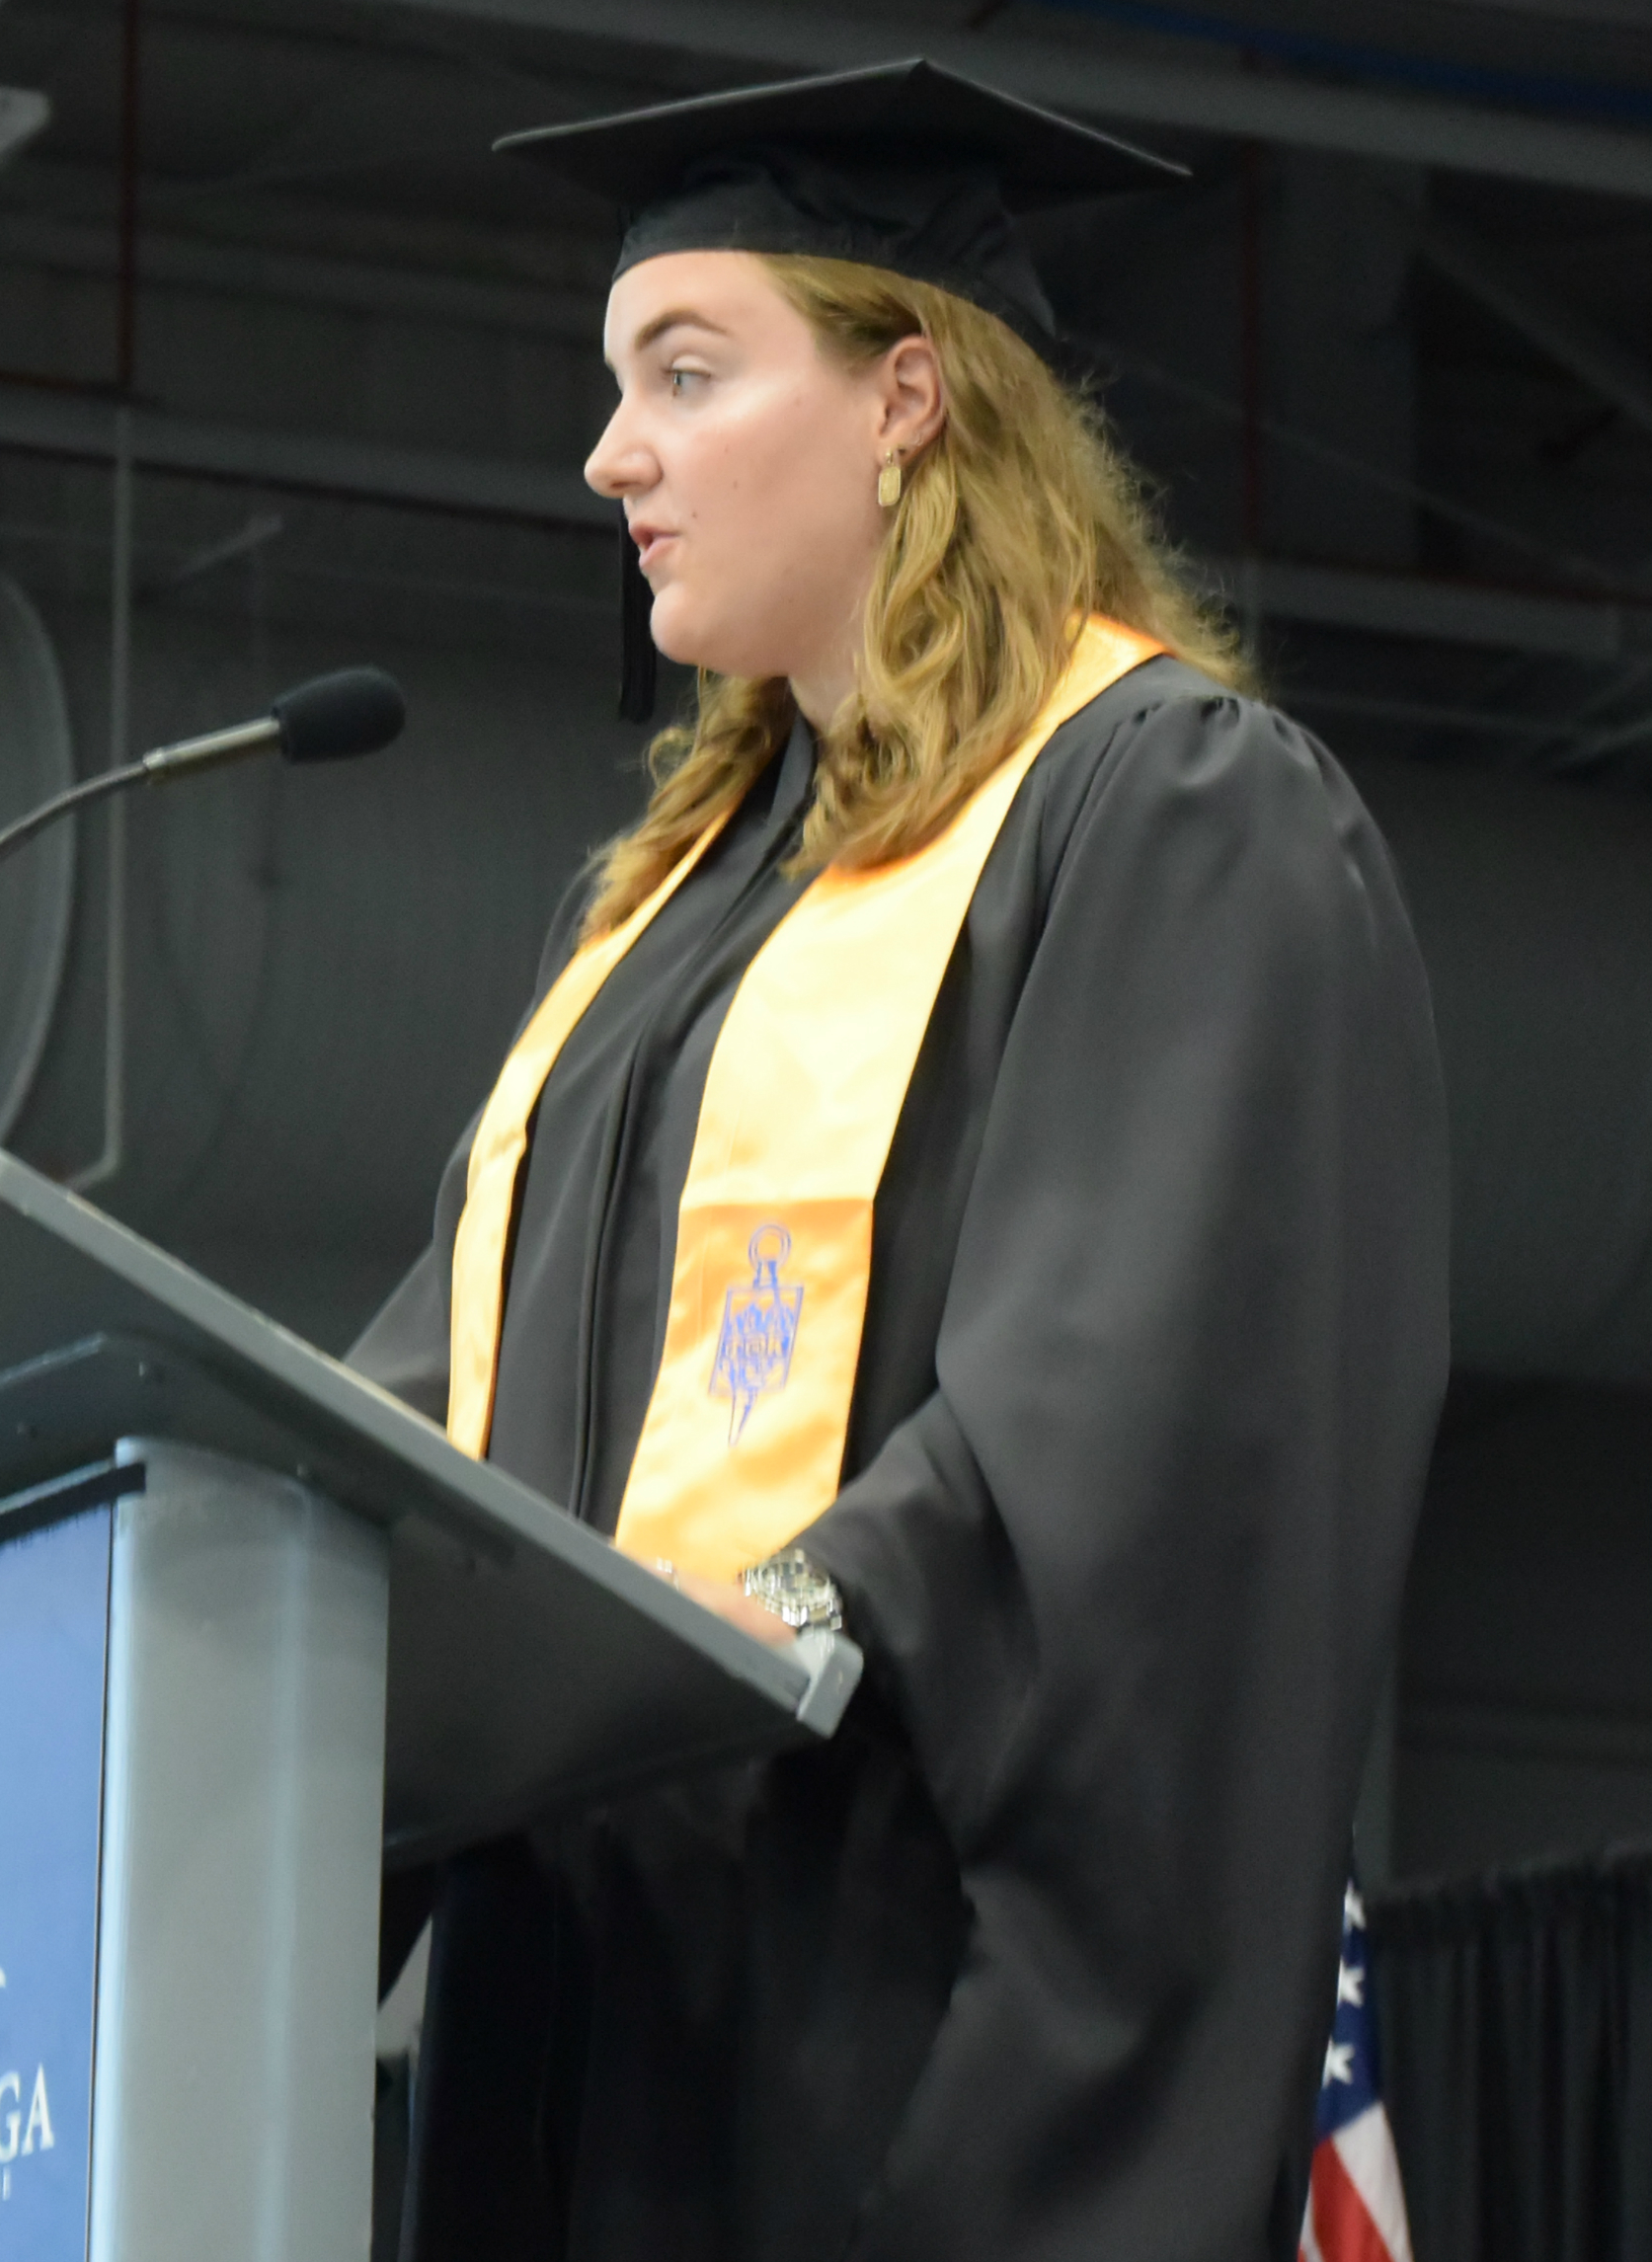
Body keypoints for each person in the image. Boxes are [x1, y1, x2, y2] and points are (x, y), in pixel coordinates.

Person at [349, 59, 1450, 2262]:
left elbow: (1126, 1456)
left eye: (684, 370)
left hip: (880, 2063)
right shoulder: (646, 935)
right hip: (576, 2044)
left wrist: (744, 1632)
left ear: (906, 396)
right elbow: (429, 1415)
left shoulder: (1163, 818)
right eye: (609, 384)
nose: (611, 454)